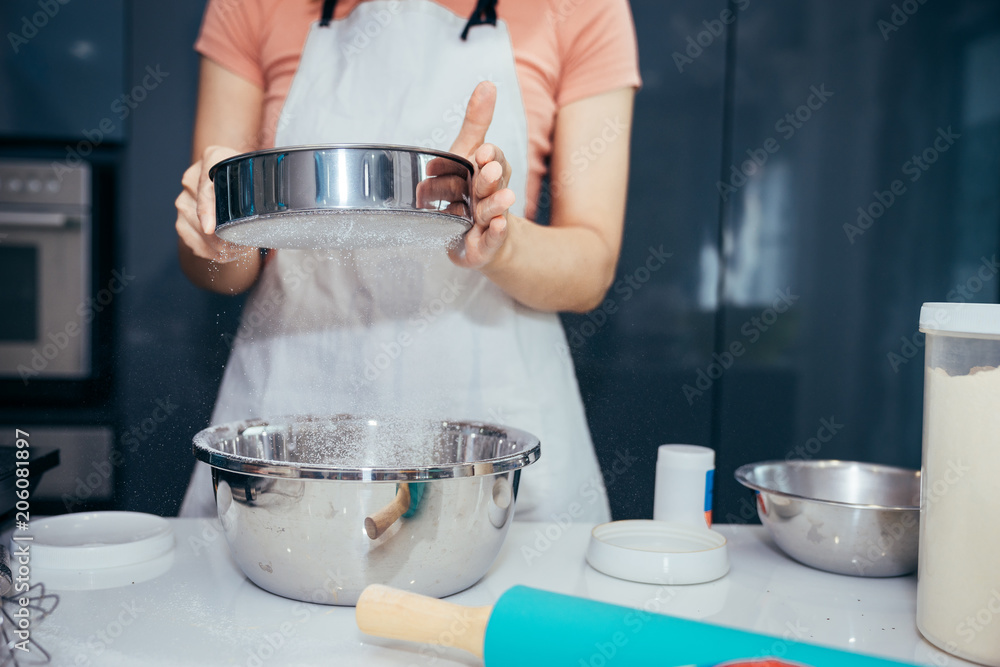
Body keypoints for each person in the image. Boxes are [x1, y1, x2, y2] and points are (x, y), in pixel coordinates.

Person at [175, 0, 640, 522]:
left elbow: (591, 269)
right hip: (292, 425)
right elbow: (215, 268)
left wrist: (497, 239)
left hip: (486, 437)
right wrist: (222, 238)